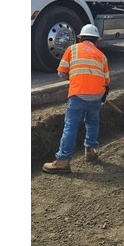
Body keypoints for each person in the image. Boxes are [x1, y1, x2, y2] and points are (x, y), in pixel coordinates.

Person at [42, 24, 110, 174]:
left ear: (80, 38)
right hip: (97, 95)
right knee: (93, 122)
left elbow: (61, 73)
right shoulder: (101, 56)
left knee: (71, 126)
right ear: (96, 40)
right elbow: (106, 81)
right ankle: (90, 152)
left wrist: (73, 76)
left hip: (78, 94)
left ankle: (63, 161)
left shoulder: (72, 49)